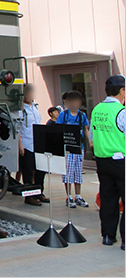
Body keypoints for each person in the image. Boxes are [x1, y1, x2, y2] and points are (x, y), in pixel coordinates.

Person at [90, 75, 125, 250]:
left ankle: (107, 236)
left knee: (108, 198)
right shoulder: (122, 112)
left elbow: (91, 138)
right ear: (122, 90)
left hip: (102, 161)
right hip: (121, 162)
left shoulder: (97, 109)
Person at [56, 90, 90, 208]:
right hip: (68, 147)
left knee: (78, 172)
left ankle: (78, 195)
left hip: (79, 146)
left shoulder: (82, 115)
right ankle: (69, 196)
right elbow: (58, 129)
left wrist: (89, 141)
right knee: (68, 172)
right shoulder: (63, 115)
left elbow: (85, 128)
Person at [18, 83, 49, 206]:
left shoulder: (34, 107)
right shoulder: (21, 110)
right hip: (27, 143)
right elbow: (18, 128)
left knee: (41, 169)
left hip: (38, 142)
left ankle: (39, 192)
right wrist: (20, 145)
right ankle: (29, 196)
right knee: (28, 171)